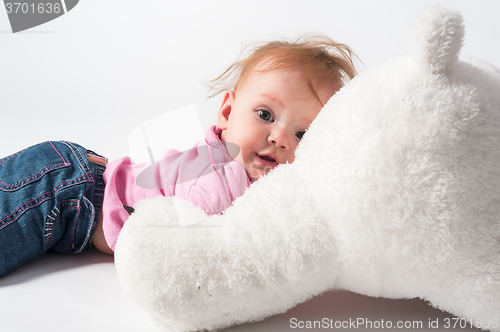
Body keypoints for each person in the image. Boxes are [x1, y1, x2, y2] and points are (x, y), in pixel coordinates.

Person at [0, 35, 358, 276]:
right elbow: (203, 252)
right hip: (69, 189)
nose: (280, 138)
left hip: (77, 182)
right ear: (227, 113)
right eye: (265, 115)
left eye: (303, 133)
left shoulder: (271, 186)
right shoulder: (215, 180)